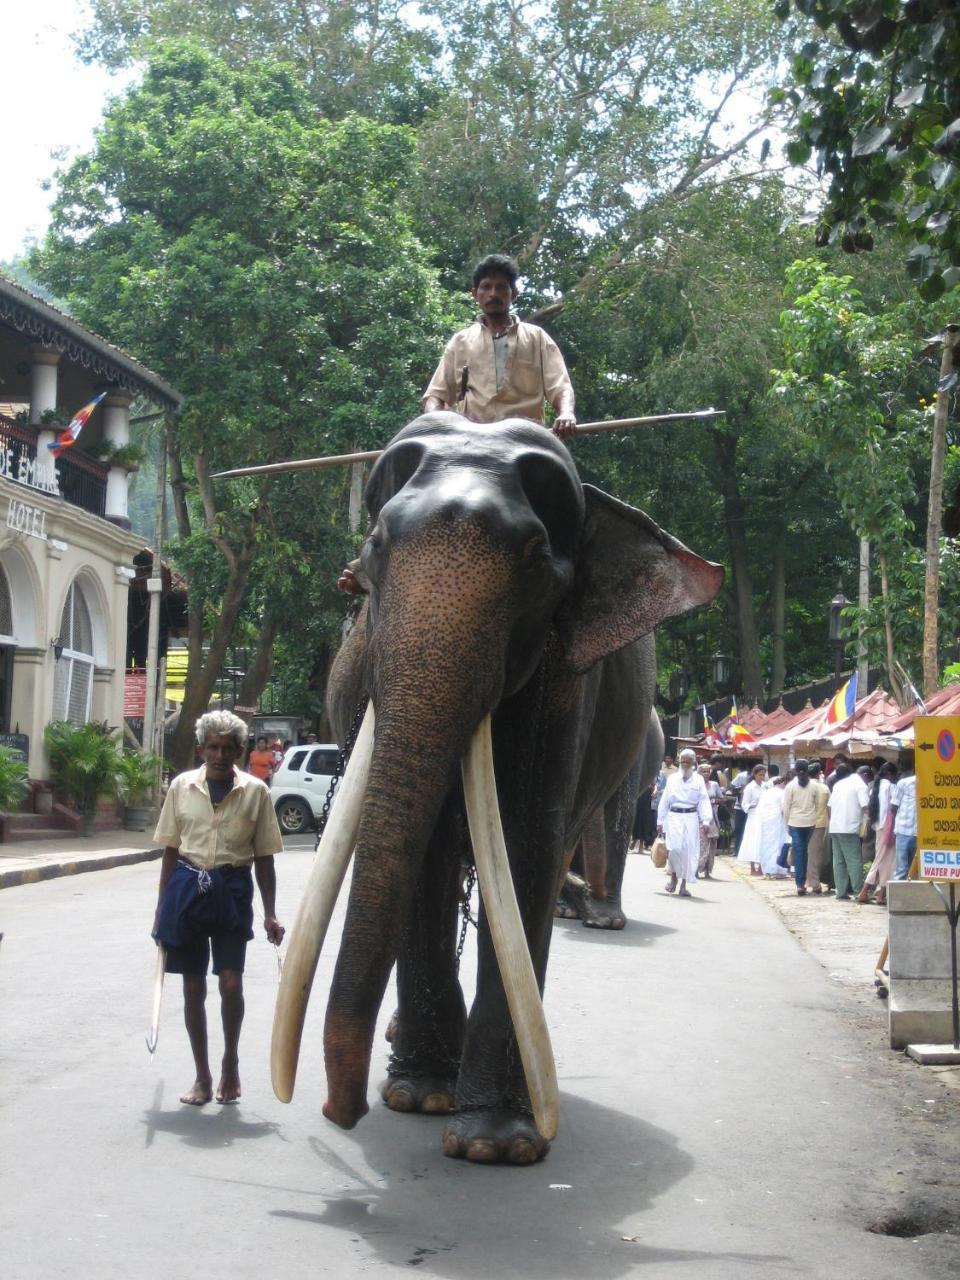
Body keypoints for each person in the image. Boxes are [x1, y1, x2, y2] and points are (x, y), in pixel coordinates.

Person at [152, 710, 285, 1106]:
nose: (220, 754)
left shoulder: (256, 793)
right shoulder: (180, 788)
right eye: (213, 746)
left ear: (240, 752)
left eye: (228, 748)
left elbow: (265, 859)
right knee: (193, 988)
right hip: (187, 889)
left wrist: (271, 913)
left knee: (231, 983)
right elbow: (170, 853)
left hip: (232, 888)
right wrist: (162, 911)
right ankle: (203, 1077)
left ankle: (230, 1062)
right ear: (201, 749)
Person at [421, 253, 576, 436]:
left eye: (501, 287)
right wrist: (434, 423)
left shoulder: (537, 338)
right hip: (472, 437)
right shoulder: (460, 342)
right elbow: (436, 395)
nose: (493, 294)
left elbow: (560, 386)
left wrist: (566, 413)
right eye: (486, 287)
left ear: (514, 294)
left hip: (525, 436)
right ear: (475, 294)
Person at [656, 749, 712, 897]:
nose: (685, 764)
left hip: (691, 818)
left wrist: (706, 820)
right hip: (673, 817)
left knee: (689, 851)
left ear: (693, 763)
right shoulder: (672, 779)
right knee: (674, 849)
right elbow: (665, 800)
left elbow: (704, 801)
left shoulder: (698, 780)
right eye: (682, 761)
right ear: (679, 762)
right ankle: (673, 877)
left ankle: (683, 885)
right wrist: (660, 820)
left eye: (688, 762)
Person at [827, 762, 870, 900]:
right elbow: (865, 807)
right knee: (854, 861)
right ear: (865, 776)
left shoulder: (839, 784)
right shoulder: (860, 785)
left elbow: (829, 807)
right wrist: (867, 823)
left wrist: (832, 821)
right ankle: (858, 891)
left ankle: (841, 891)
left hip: (835, 827)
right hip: (849, 828)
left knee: (838, 861)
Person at [858, 761, 898, 905]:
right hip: (888, 828)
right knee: (881, 860)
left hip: (878, 828)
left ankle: (881, 893)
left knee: (885, 861)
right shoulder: (891, 787)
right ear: (890, 774)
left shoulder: (875, 786)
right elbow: (893, 808)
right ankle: (865, 890)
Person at [803, 761, 831, 895]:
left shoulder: (804, 786)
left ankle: (806, 880)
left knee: (806, 853)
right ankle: (814, 883)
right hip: (819, 824)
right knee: (815, 855)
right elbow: (828, 807)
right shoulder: (823, 788)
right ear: (819, 773)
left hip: (802, 823)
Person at [890, 754, 917, 880]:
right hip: (904, 831)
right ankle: (898, 898)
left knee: (912, 869)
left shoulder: (930, 784)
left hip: (917, 833)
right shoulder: (904, 783)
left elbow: (893, 808)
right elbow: (893, 807)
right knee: (903, 869)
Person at [697, 761, 722, 879]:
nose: (706, 774)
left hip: (712, 817)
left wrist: (714, 801)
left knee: (711, 844)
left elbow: (721, 799)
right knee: (701, 843)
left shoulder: (714, 785)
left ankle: (708, 870)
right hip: (698, 818)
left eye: (708, 771)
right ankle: (696, 868)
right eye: (703, 771)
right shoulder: (696, 785)